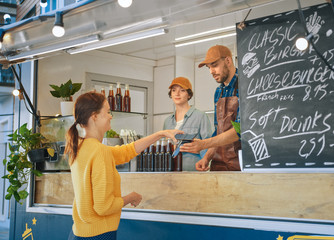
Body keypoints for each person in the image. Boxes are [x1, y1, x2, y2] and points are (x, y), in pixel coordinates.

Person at [65, 91, 183, 240]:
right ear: (94, 116)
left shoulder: (79, 147)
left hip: (79, 232)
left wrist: (160, 134)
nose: (110, 116)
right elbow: (104, 207)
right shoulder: (99, 151)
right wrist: (130, 197)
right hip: (98, 235)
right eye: (107, 112)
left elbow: (126, 152)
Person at [180, 45, 241, 171]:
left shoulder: (246, 85)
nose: (211, 71)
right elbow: (218, 130)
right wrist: (207, 158)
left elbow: (240, 130)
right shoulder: (218, 91)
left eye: (214, 65)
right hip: (219, 164)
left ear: (228, 61)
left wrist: (204, 144)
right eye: (209, 67)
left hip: (241, 164)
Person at [163, 77, 212, 171]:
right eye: (173, 90)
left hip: (193, 172)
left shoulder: (200, 116)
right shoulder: (167, 121)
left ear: (189, 95)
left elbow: (209, 145)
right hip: (170, 171)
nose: (177, 94)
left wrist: (204, 160)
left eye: (182, 90)